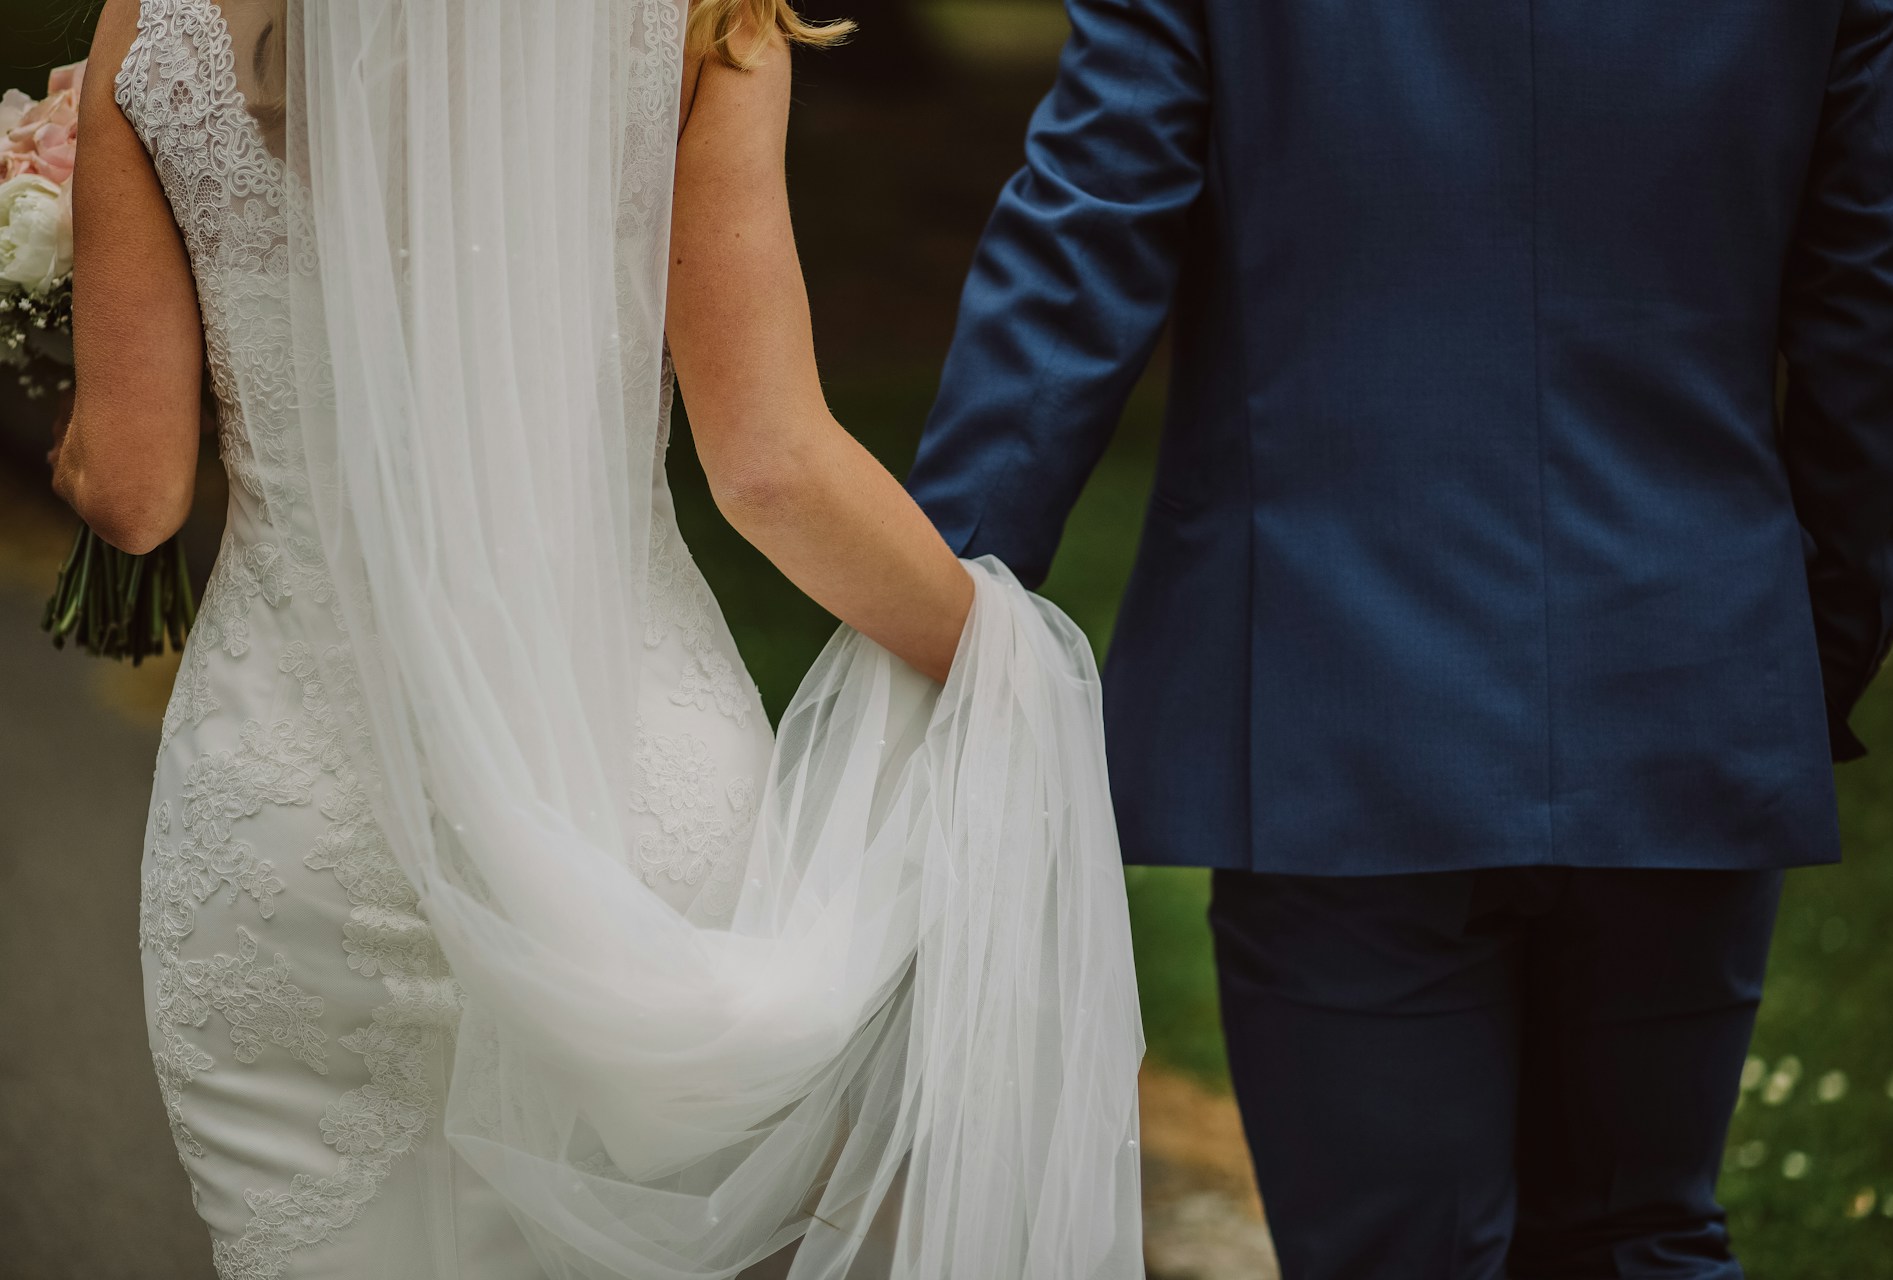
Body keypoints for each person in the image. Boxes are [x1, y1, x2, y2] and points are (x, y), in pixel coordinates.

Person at [51, 0, 1144, 1276]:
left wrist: (57, 322)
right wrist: (1004, 657)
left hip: (296, 824)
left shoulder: (158, 28)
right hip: (623, 794)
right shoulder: (707, 23)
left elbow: (133, 493)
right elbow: (772, 469)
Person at [908, 1, 1893, 1277]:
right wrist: (1810, 638)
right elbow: (1876, 297)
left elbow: (1081, 251)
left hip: (1335, 700)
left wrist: (938, 603)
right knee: (1640, 1232)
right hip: (1684, 667)